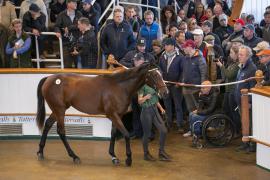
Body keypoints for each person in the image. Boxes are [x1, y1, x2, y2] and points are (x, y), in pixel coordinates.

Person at [137, 53, 171, 161]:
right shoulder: (142, 86)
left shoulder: (154, 86)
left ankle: (161, 152)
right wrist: (146, 97)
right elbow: (139, 102)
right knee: (147, 134)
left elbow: (155, 99)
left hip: (154, 110)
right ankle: (146, 154)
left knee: (163, 130)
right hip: (146, 112)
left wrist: (161, 108)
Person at [180, 39, 208, 137]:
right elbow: (184, 72)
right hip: (186, 89)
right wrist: (183, 81)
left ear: (190, 47)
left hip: (196, 89)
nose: (183, 49)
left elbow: (204, 74)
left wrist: (202, 89)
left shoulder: (200, 58)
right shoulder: (186, 58)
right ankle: (192, 130)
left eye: (185, 47)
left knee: (198, 110)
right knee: (190, 110)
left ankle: (199, 131)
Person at [159, 37, 184, 132]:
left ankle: (180, 125)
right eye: (165, 45)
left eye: (167, 45)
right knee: (167, 105)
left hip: (176, 85)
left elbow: (183, 71)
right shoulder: (162, 56)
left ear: (173, 46)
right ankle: (168, 123)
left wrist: (179, 82)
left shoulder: (180, 56)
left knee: (178, 106)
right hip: (165, 85)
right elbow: (160, 68)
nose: (165, 46)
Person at [216, 46, 240, 135]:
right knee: (225, 109)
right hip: (228, 90)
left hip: (233, 91)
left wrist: (221, 66)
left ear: (237, 54)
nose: (230, 55)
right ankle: (229, 128)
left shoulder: (238, 65)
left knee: (233, 112)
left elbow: (229, 75)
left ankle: (236, 130)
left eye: (231, 53)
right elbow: (226, 75)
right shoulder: (232, 63)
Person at [54, 0, 83, 68]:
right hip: (66, 43)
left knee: (78, 66)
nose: (76, 4)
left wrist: (69, 27)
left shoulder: (79, 14)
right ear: (68, 4)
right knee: (67, 66)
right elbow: (57, 26)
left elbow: (82, 25)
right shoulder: (61, 14)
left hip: (78, 43)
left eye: (76, 2)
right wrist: (57, 31)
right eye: (74, 2)